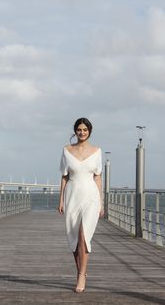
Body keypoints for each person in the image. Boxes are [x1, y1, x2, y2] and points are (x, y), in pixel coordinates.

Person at [58, 117, 104, 293]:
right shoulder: (67, 150)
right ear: (75, 131)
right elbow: (64, 176)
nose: (82, 132)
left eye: (85, 129)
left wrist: (101, 203)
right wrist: (60, 199)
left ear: (89, 131)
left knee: (84, 236)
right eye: (79, 129)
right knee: (74, 239)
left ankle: (81, 276)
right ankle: (80, 271)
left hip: (91, 196)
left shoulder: (97, 151)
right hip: (72, 195)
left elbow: (98, 177)